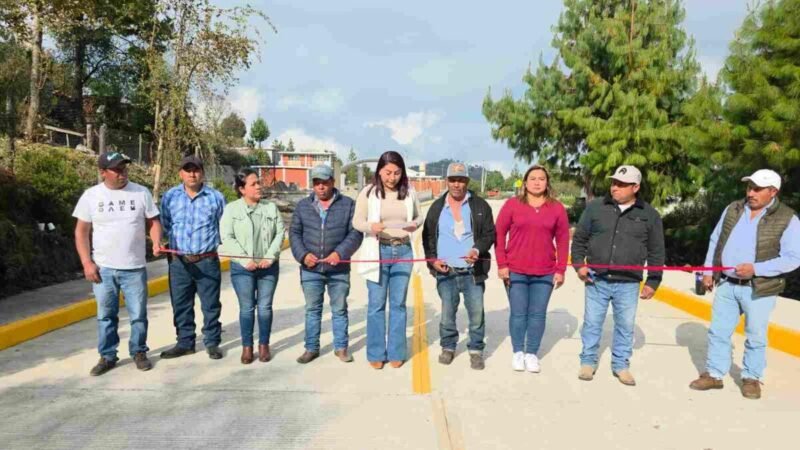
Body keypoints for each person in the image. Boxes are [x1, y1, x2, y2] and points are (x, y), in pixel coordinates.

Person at [690, 169, 800, 399]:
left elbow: (793, 258)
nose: (751, 193)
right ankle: (714, 374)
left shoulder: (788, 218)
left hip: (759, 288)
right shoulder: (733, 209)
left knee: (756, 335)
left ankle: (751, 377)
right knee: (718, 332)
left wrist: (756, 269)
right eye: (749, 187)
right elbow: (716, 238)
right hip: (728, 284)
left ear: (773, 192)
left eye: (757, 189)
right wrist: (709, 269)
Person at [571, 165, 665, 386]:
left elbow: (656, 251)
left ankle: (621, 365)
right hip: (596, 279)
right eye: (614, 183)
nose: (615, 188)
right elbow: (580, 239)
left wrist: (653, 281)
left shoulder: (649, 215)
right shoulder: (595, 208)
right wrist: (578, 265)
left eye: (621, 184)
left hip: (628, 283)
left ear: (636, 187)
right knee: (592, 323)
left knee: (625, 325)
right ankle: (588, 362)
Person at [73, 152, 162, 376]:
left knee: (138, 314)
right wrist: (86, 262)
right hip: (104, 269)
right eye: (117, 170)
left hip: (134, 267)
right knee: (106, 315)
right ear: (103, 172)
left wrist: (156, 241)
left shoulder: (141, 193)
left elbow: (153, 222)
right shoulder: (91, 196)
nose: (123, 174)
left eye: (124, 169)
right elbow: (81, 232)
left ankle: (139, 352)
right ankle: (108, 356)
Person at [495, 165, 569, 373]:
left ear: (547, 183)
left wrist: (560, 269)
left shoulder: (556, 208)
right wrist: (502, 264)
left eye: (542, 179)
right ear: (525, 182)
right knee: (518, 314)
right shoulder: (512, 205)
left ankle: (532, 353)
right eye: (533, 178)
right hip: (516, 270)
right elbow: (499, 235)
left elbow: (563, 241)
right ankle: (518, 351)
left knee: (537, 314)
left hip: (545, 271)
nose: (537, 182)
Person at [353, 151, 422, 369]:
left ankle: (396, 351)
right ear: (379, 171)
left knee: (399, 304)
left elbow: (419, 217)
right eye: (388, 173)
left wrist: (414, 224)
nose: (392, 178)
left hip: (403, 251)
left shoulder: (409, 192)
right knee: (376, 304)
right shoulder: (369, 192)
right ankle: (375, 352)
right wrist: (370, 227)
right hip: (378, 250)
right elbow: (357, 221)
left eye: (397, 173)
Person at [422, 162, 495, 370]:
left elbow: (490, 233)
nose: (457, 184)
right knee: (447, 314)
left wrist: (477, 250)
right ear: (447, 181)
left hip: (472, 273)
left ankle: (476, 350)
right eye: (453, 180)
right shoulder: (437, 207)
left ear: (467, 181)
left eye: (461, 180)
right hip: (446, 273)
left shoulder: (480, 206)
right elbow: (427, 237)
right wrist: (433, 260)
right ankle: (448, 347)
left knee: (477, 314)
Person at [290, 164, 363, 364]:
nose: (321, 187)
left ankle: (341, 347)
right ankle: (311, 348)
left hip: (338, 270)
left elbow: (355, 233)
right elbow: (294, 233)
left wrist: (340, 253)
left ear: (332, 182)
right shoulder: (303, 206)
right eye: (316, 183)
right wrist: (303, 255)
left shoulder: (348, 204)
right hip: (310, 269)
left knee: (339, 309)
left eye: (324, 182)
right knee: (312, 310)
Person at [159, 155, 226, 360]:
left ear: (202, 172)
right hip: (179, 262)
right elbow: (166, 224)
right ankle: (185, 342)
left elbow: (222, 226)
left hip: (207, 260)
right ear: (181, 173)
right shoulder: (170, 197)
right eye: (187, 170)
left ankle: (212, 342)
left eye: (196, 169)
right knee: (181, 304)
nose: (192, 174)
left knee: (211, 304)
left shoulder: (216, 198)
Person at [219, 168, 285, 364]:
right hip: (242, 269)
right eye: (253, 184)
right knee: (247, 308)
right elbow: (227, 237)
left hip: (268, 268)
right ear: (242, 189)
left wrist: (270, 257)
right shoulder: (232, 210)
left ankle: (263, 345)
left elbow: (280, 233)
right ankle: (247, 346)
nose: (259, 186)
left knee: (265, 307)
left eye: (259, 182)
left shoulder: (270, 208)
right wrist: (244, 259)